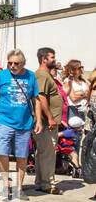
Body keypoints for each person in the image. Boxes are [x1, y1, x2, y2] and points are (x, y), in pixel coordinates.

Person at [0, 49, 41, 200]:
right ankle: (6, 184)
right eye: (9, 63)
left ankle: (20, 188)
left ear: (23, 63)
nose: (12, 66)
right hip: (3, 120)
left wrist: (38, 120)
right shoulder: (0, 76)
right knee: (2, 152)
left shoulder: (30, 76)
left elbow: (36, 100)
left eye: (16, 63)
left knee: (22, 156)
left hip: (24, 123)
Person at [34, 46, 63, 194]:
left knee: (43, 152)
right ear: (44, 59)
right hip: (46, 123)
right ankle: (47, 183)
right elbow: (40, 97)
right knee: (48, 152)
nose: (54, 59)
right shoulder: (42, 75)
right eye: (52, 57)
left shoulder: (46, 75)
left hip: (48, 122)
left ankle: (41, 182)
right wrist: (50, 117)